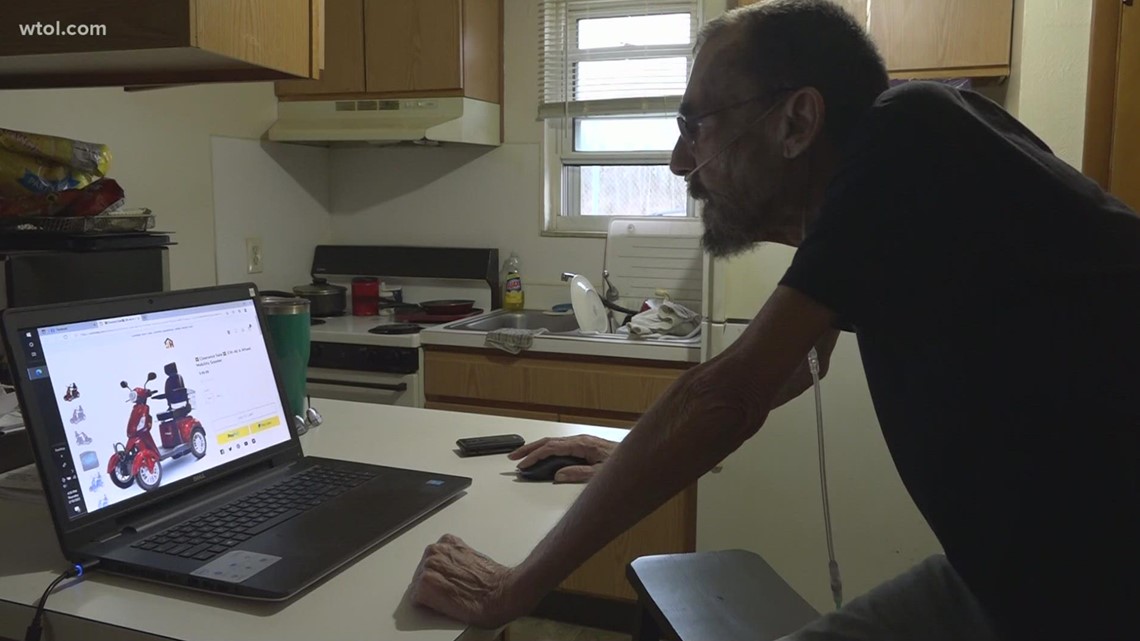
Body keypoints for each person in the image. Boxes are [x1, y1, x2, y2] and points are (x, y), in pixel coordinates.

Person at [409, 1, 1138, 639]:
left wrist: (515, 586)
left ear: (798, 121)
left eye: (694, 124)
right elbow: (794, 363)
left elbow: (732, 392)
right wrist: (629, 449)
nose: (678, 162)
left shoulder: (910, 133)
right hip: (1015, 576)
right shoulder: (904, 179)